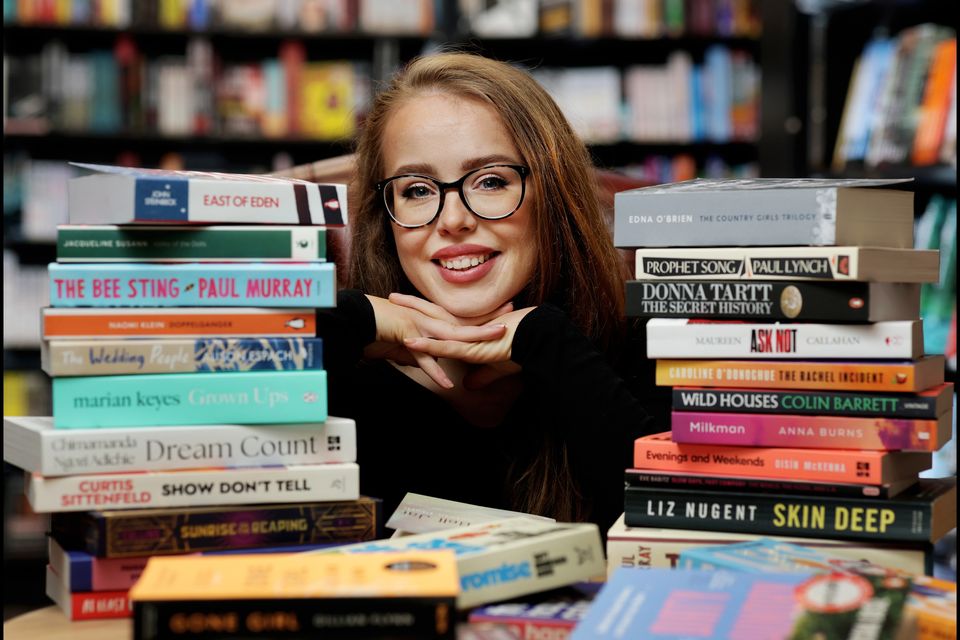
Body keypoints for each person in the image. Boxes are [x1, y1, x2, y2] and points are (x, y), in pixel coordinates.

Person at [318, 51, 668, 530]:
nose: (454, 220)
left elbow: (673, 527)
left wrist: (549, 343)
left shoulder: (648, 344)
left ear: (553, 196)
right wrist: (356, 318)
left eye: (490, 181)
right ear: (387, 217)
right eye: (417, 190)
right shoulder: (347, 360)